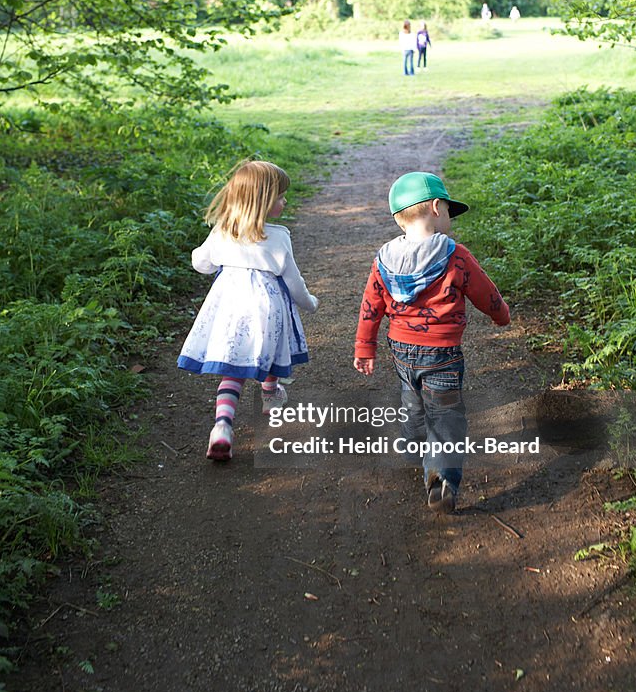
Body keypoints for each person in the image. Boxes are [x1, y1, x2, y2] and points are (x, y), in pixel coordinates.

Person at [353, 172, 510, 514]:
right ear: (436, 208)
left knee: (412, 399)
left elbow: (371, 305)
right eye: (450, 210)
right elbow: (485, 292)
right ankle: (441, 478)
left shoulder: (383, 260)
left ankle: (413, 446)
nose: (451, 217)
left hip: (401, 350)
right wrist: (502, 316)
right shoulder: (454, 255)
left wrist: (365, 347)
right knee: (446, 416)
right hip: (442, 354)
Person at [177, 160, 318, 461]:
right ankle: (270, 395)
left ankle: (222, 427)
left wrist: (204, 252)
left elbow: (202, 264)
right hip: (267, 309)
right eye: (280, 196)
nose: (285, 200)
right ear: (264, 201)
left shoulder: (222, 231)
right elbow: (293, 281)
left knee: (234, 366)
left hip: (229, 307)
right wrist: (309, 302)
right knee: (267, 349)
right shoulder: (278, 237)